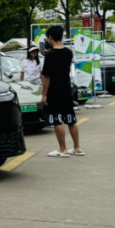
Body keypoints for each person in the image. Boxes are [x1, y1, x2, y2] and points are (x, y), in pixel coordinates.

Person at [40, 26, 82, 157]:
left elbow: (47, 77)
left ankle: (62, 149)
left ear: (50, 37)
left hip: (54, 91)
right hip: (66, 90)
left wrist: (44, 95)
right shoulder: (68, 52)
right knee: (71, 119)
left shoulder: (50, 55)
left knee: (57, 119)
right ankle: (77, 148)